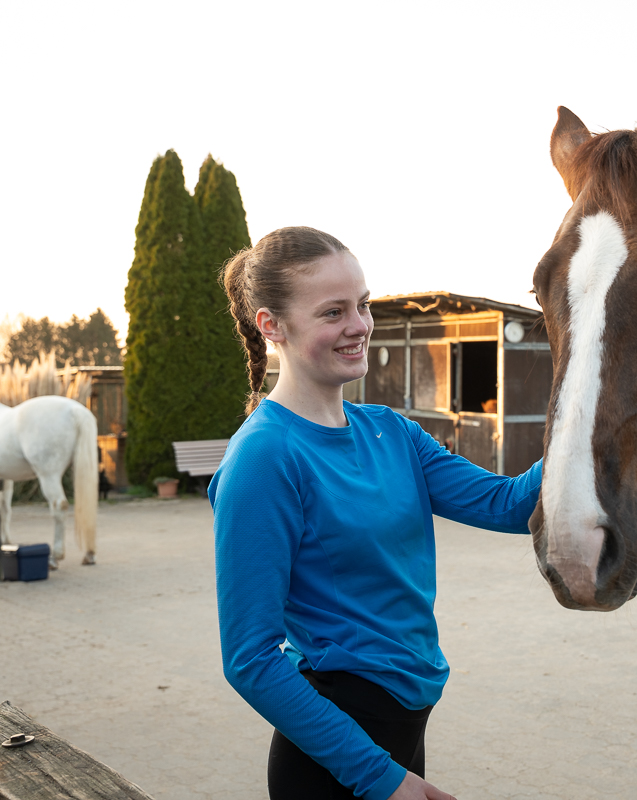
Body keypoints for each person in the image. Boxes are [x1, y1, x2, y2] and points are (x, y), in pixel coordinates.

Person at [210, 226, 542, 800]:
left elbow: (510, 506)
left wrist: (587, 419)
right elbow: (250, 660)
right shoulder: (263, 459)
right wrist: (379, 778)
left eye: (362, 304)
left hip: (404, 725)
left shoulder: (391, 432)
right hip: (339, 754)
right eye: (333, 312)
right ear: (272, 326)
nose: (360, 324)